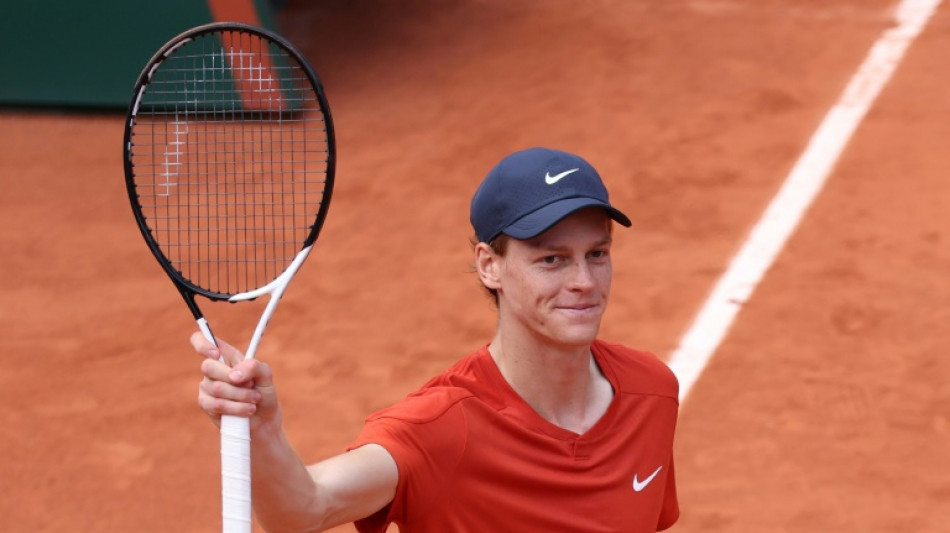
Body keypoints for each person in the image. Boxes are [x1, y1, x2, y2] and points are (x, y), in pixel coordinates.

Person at [195, 147, 680, 532]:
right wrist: (262, 434)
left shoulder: (652, 392)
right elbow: (305, 509)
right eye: (551, 260)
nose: (584, 282)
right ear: (490, 266)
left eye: (597, 254)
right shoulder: (441, 430)